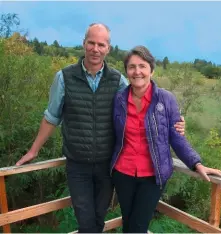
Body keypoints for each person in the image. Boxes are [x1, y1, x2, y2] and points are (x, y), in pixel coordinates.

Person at [15, 24, 185, 233]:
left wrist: (172, 119)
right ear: (84, 44)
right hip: (77, 165)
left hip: (107, 166)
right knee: (86, 222)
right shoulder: (64, 77)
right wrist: (34, 150)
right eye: (92, 43)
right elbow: (51, 118)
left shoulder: (118, 81)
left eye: (101, 44)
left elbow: (142, 96)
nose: (95, 49)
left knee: (98, 219)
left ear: (108, 49)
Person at [110, 45, 221, 233]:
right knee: (128, 222)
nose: (137, 71)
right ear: (127, 72)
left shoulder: (166, 100)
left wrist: (196, 163)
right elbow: (110, 133)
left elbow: (176, 137)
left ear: (152, 70)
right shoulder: (118, 100)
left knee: (138, 226)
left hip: (153, 174)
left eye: (142, 66)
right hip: (123, 172)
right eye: (132, 67)